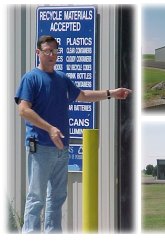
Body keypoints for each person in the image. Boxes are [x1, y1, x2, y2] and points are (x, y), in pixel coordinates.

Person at [15, 35, 132, 233]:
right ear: (38, 53)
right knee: (37, 198)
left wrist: (112, 93)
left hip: (61, 149)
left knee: (57, 198)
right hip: (41, 148)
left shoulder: (62, 79)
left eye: (55, 51)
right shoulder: (31, 78)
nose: (52, 55)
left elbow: (83, 96)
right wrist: (50, 128)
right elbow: (24, 110)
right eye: (47, 51)